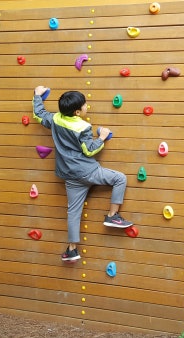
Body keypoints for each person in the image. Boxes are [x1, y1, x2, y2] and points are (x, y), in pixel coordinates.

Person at [32, 86, 133, 263]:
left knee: (73, 211)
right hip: (88, 171)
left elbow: (39, 114)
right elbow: (89, 150)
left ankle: (72, 249)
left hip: (69, 175)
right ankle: (112, 216)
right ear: (77, 112)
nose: (87, 106)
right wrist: (102, 137)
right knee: (120, 178)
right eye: (85, 105)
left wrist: (37, 96)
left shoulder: (56, 119)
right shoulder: (83, 127)